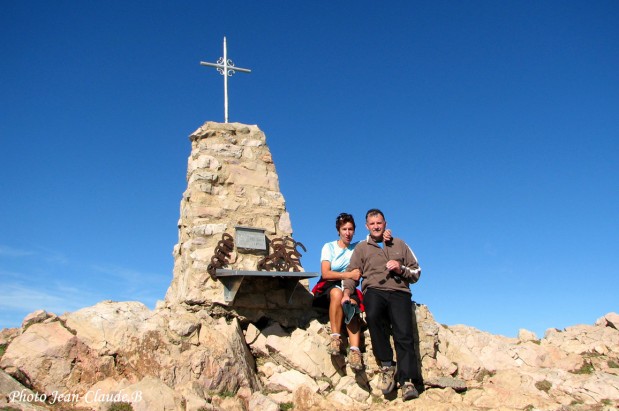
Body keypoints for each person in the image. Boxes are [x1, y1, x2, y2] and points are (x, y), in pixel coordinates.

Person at [341, 208, 422, 401]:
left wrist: (400, 267)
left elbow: (417, 272)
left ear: (385, 223)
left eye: (379, 223)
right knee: (373, 315)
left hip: (399, 291)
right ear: (367, 226)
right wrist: (346, 293)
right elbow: (353, 272)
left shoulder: (400, 244)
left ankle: (407, 381)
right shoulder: (361, 247)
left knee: (404, 332)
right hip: (374, 290)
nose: (376, 227)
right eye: (372, 224)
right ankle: (387, 365)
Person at [312, 212, 392, 371]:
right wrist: (348, 274)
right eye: (344, 229)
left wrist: (386, 234)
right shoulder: (329, 247)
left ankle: (355, 351)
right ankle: (336, 338)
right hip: (329, 286)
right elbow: (326, 273)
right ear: (338, 231)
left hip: (348, 287)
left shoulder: (358, 247)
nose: (347, 233)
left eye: (350, 229)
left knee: (352, 304)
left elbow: (374, 238)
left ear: (354, 230)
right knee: (336, 293)